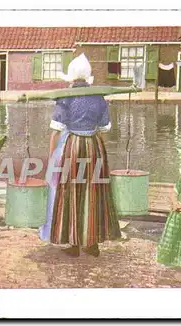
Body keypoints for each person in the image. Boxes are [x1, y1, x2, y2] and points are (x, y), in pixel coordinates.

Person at [39, 53, 121, 257]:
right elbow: (105, 127)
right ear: (88, 77)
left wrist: (51, 159)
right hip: (93, 145)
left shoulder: (65, 97)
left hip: (72, 146)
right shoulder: (99, 97)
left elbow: (56, 130)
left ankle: (74, 243)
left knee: (70, 191)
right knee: (94, 191)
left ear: (71, 78)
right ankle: (92, 243)